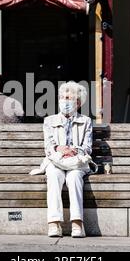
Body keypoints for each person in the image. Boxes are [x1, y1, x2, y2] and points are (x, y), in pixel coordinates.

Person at [40, 81, 92, 238]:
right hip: (56, 161)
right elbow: (49, 146)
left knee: (75, 177)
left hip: (76, 162)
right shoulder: (49, 121)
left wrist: (74, 150)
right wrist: (59, 149)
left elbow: (87, 147)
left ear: (77, 102)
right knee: (54, 175)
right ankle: (54, 223)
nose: (63, 100)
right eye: (61, 97)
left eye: (67, 97)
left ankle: (77, 223)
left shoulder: (86, 121)